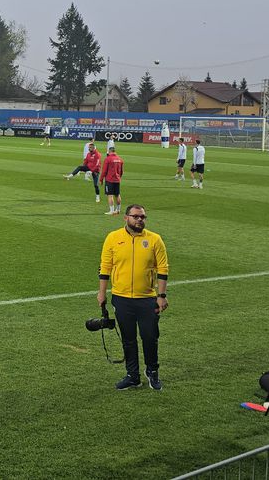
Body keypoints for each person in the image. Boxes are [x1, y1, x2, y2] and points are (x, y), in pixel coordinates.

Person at [97, 204, 169, 391]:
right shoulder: (113, 238)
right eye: (136, 216)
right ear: (126, 218)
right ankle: (132, 375)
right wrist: (102, 293)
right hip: (121, 298)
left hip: (147, 299)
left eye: (143, 217)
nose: (140, 220)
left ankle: (152, 372)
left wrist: (161, 296)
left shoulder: (155, 239)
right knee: (128, 339)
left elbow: (163, 269)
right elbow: (105, 267)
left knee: (149, 337)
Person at [100, 146, 124, 215]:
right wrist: (119, 177)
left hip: (110, 180)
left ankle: (111, 211)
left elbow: (104, 171)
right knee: (117, 195)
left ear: (109, 151)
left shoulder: (108, 159)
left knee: (110, 195)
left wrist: (101, 179)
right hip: (117, 180)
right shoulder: (120, 159)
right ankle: (118, 209)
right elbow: (121, 171)